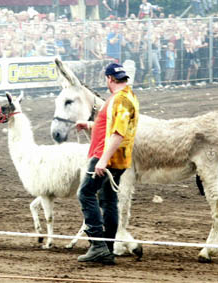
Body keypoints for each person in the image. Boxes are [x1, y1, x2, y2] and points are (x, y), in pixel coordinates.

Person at [75, 63, 139, 265]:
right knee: (108, 200)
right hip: (118, 158)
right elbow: (114, 125)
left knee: (85, 193)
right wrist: (91, 124)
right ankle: (107, 248)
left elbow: (119, 133)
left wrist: (102, 160)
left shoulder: (120, 100)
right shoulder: (128, 96)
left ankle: (98, 245)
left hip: (108, 157)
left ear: (109, 79)